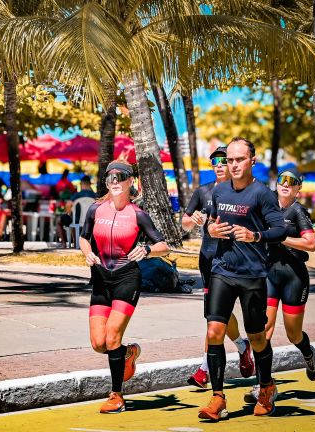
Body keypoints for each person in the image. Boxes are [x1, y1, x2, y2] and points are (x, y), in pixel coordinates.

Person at [198, 137, 286, 421]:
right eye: (229, 160)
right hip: (222, 270)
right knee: (213, 332)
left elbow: (279, 230)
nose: (232, 165)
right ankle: (218, 398)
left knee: (258, 338)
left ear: (252, 161)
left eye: (238, 159)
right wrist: (211, 229)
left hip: (253, 275)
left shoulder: (262, 194)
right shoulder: (220, 191)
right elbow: (212, 220)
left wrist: (255, 235)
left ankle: (266, 386)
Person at [79, 160, 170, 414]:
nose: (115, 181)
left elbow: (164, 246)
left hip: (126, 278)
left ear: (131, 181)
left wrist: (148, 249)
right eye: (110, 177)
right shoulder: (95, 209)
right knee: (99, 343)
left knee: (111, 337)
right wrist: (87, 253)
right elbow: (84, 237)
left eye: (121, 177)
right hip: (100, 279)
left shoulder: (137, 214)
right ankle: (128, 353)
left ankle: (116, 395)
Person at [244, 168, 315, 403]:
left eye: (292, 181)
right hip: (268, 276)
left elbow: (311, 243)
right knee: (263, 331)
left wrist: (281, 237)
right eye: (282, 180)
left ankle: (308, 353)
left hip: (294, 277)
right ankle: (262, 385)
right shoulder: (266, 206)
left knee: (293, 333)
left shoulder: (297, 211)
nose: (286, 184)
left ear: (298, 189)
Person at [182, 146, 254, 389]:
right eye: (215, 162)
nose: (220, 165)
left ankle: (204, 369)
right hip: (207, 258)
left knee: (215, 315)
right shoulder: (203, 191)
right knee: (213, 314)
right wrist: (193, 220)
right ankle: (242, 347)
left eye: (224, 160)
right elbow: (184, 219)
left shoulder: (242, 192)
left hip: (233, 259)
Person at [55, 176, 96, 244]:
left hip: (76, 221)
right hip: (91, 221)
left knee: (59, 221)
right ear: (90, 184)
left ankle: (64, 243)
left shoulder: (76, 195)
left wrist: (70, 212)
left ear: (81, 184)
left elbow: (68, 206)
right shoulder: (95, 195)